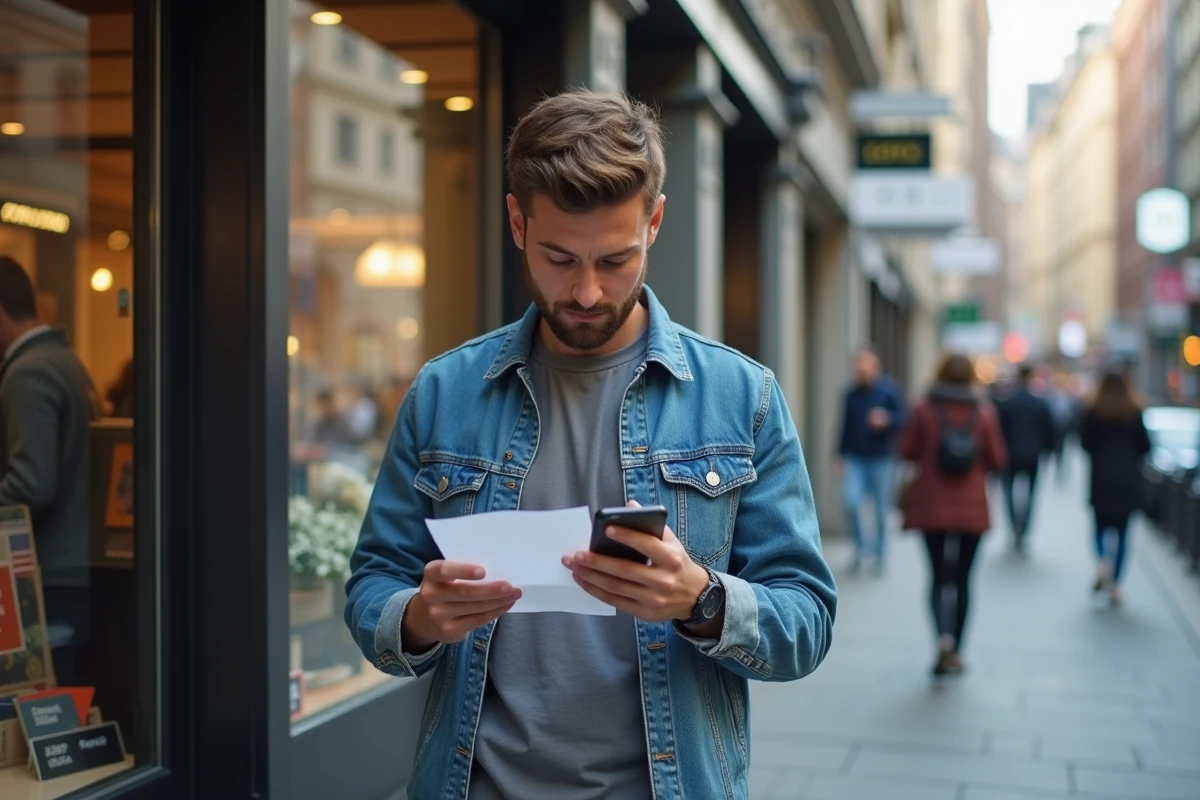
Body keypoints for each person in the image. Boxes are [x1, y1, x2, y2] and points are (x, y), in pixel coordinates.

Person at [344, 90, 836, 800]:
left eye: (614, 259)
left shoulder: (741, 396)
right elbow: (373, 584)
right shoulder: (442, 392)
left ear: (656, 222)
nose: (585, 290)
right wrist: (418, 618)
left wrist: (702, 598)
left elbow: (808, 621)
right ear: (517, 221)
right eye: (559, 258)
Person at [0, 256, 98, 685]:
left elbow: (31, 484)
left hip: (48, 574)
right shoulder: (64, 360)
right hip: (73, 571)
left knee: (44, 699)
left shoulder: (28, 372)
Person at [899, 353, 1006, 677]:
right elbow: (998, 459)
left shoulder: (923, 409)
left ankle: (941, 641)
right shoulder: (984, 412)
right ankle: (957, 648)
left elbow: (907, 450)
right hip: (971, 508)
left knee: (937, 577)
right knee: (962, 579)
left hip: (932, 505)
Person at [1079, 370, 1151, 606]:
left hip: (1101, 477)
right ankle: (1116, 583)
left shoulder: (1094, 410)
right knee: (1123, 532)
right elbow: (1145, 446)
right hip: (1128, 479)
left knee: (1099, 528)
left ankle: (1103, 564)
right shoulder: (1134, 411)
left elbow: (1085, 443)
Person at [835, 346, 906, 573]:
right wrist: (840, 455)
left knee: (881, 510)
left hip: (882, 459)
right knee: (851, 502)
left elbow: (904, 419)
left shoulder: (889, 391)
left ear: (875, 367)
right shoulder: (850, 394)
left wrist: (887, 421)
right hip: (855, 458)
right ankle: (860, 548)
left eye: (865, 364)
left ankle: (880, 554)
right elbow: (844, 426)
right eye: (858, 365)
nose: (861, 369)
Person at [994, 363, 1056, 553]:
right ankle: (1023, 529)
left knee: (1008, 495)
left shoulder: (1006, 402)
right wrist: (1047, 451)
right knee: (1030, 495)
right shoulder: (1039, 403)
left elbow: (997, 430)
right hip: (1032, 455)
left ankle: (1014, 526)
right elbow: (1049, 430)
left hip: (1009, 455)